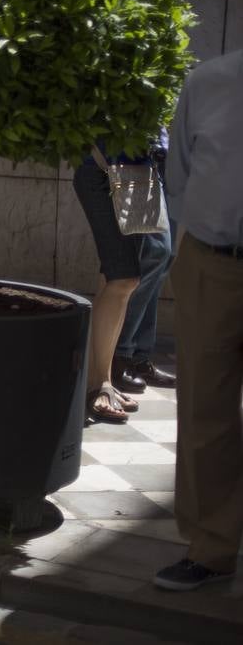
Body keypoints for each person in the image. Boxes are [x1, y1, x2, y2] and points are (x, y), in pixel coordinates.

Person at [152, 49, 243, 593]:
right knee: (205, 411)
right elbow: (180, 175)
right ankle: (211, 549)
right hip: (212, 263)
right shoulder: (209, 82)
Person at [71, 139, 171, 424]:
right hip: (103, 167)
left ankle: (100, 380)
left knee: (118, 276)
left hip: (139, 170)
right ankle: (99, 384)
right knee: (123, 277)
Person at [110, 138, 177, 394]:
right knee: (156, 252)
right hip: (139, 157)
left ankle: (139, 355)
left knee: (164, 259)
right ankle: (121, 353)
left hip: (168, 157)